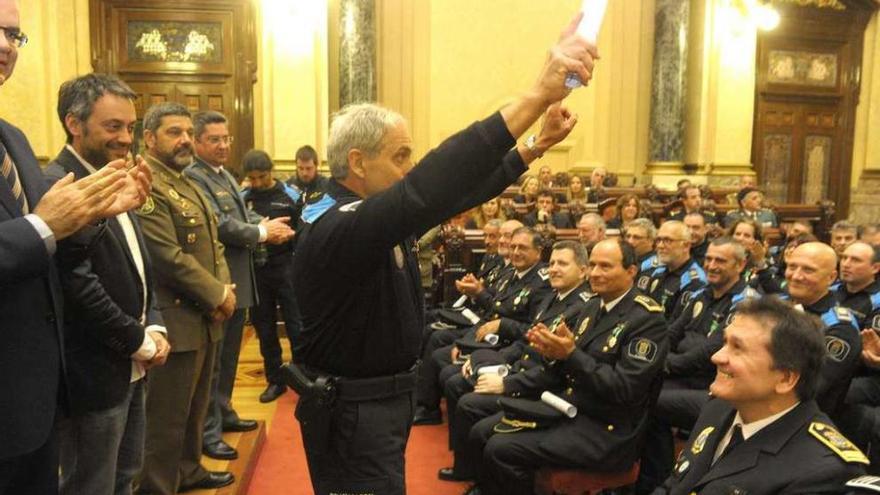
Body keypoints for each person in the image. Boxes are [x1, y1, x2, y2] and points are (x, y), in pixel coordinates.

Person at [288, 17, 597, 493]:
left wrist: (535, 147)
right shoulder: (339, 223)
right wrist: (535, 97)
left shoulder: (369, 216)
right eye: (401, 156)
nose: (409, 169)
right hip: (354, 413)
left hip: (376, 405)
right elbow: (429, 188)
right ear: (356, 162)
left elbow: (452, 196)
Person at [0, 4, 148, 492]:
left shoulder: (13, 139)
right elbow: (51, 246)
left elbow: (58, 252)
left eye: (14, 35)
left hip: (36, 394)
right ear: (74, 124)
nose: (5, 45)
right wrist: (43, 225)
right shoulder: (52, 171)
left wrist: (95, 214)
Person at [46, 73, 170, 495]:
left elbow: (138, 266)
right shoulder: (59, 185)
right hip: (93, 373)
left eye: (130, 127)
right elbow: (77, 284)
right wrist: (136, 338)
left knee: (125, 476)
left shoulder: (115, 174)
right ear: (74, 124)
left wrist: (153, 325)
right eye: (112, 126)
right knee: (90, 485)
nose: (125, 138)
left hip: (132, 363)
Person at [464, 239, 668, 495]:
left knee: (501, 448)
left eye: (605, 266)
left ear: (631, 271)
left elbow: (624, 389)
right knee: (482, 430)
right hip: (570, 407)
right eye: (592, 265)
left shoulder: (647, 320)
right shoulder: (594, 305)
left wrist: (570, 354)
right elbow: (562, 366)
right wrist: (550, 356)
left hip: (607, 428)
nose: (595, 273)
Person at [652, 297, 867, 494]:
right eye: (725, 343)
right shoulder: (720, 407)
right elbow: (675, 485)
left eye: (737, 348)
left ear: (785, 378)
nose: (717, 356)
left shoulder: (822, 471)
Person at [135, 102, 236, 494]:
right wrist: (217, 294)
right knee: (167, 415)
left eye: (188, 133)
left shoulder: (186, 181)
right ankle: (158, 485)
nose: (185, 141)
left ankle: (189, 471)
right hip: (176, 316)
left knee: (195, 407)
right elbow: (167, 257)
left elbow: (215, 244)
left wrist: (224, 290)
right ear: (149, 138)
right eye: (173, 132)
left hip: (205, 315)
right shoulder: (147, 184)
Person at [185, 111, 293, 459]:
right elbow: (219, 224)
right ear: (198, 142)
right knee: (214, 363)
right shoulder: (195, 177)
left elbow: (241, 215)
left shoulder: (224, 176)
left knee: (229, 356)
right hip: (219, 283)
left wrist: (264, 221)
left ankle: (225, 411)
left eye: (226, 138)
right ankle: (208, 430)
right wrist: (264, 232)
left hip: (238, 279)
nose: (222, 145)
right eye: (214, 139)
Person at [438, 240, 592, 482]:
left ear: (583, 271)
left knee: (470, 404)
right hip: (520, 370)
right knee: (460, 379)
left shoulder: (581, 307)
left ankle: (477, 475)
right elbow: (525, 343)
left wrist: (507, 381)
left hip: (540, 389)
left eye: (562, 263)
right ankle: (470, 470)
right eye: (552, 263)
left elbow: (553, 369)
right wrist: (481, 362)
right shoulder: (554, 296)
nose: (553, 269)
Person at [638, 237, 758, 492]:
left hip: (714, 386)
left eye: (721, 261)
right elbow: (671, 333)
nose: (712, 265)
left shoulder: (746, 304)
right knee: (636, 385)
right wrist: (656, 359)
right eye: (709, 259)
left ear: (740, 265)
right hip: (681, 373)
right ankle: (650, 473)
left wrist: (661, 364)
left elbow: (708, 353)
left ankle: (660, 481)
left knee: (650, 400)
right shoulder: (702, 294)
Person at [241, 149, 304, 403]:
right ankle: (275, 381)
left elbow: (304, 231)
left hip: (287, 266)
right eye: (252, 178)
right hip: (257, 270)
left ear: (272, 172)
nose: (257, 183)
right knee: (264, 328)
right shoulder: (243, 197)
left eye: (262, 177)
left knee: (296, 326)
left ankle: (302, 379)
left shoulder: (291, 195)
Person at [784, 242, 862, 421]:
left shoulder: (840, 328)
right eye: (792, 267)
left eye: (808, 270)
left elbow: (810, 388)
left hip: (801, 421)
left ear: (831, 277)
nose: (796, 276)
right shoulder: (777, 305)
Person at [646, 220, 707, 320]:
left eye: (668, 240)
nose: (660, 246)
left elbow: (678, 328)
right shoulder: (657, 272)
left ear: (686, 246)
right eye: (658, 240)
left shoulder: (694, 281)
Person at [834, 241, 880, 326]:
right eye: (844, 258)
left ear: (875, 268)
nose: (846, 264)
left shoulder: (877, 301)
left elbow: (869, 338)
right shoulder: (829, 289)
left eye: (855, 260)